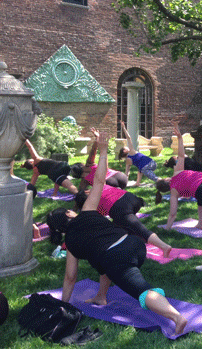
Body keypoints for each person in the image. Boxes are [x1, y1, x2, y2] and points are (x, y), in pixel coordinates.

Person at [46, 132, 187, 335]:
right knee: (102, 259)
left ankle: (177, 317)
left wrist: (64, 304)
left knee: (141, 290)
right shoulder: (87, 211)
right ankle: (101, 296)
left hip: (119, 257)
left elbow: (70, 278)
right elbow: (100, 182)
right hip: (135, 245)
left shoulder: (71, 243)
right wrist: (103, 152)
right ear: (69, 213)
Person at [74, 185, 171, 258]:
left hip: (120, 208)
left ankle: (164, 247)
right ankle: (132, 244)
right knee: (120, 227)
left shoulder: (93, 203)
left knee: (140, 230)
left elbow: (101, 219)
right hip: (133, 199)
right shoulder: (100, 186)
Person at [156, 122, 202, 231]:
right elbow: (181, 155)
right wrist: (179, 138)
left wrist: (167, 227)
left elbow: (173, 213)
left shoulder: (173, 193)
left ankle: (201, 223)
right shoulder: (177, 172)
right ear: (166, 179)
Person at [118, 121, 158, 186]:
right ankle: (137, 183)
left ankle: (161, 181)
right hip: (151, 164)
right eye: (126, 147)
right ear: (125, 151)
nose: (127, 146)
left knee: (141, 169)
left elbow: (127, 172)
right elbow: (128, 138)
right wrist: (124, 128)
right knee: (140, 171)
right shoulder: (131, 152)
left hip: (147, 165)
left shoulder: (128, 159)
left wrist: (124, 181)